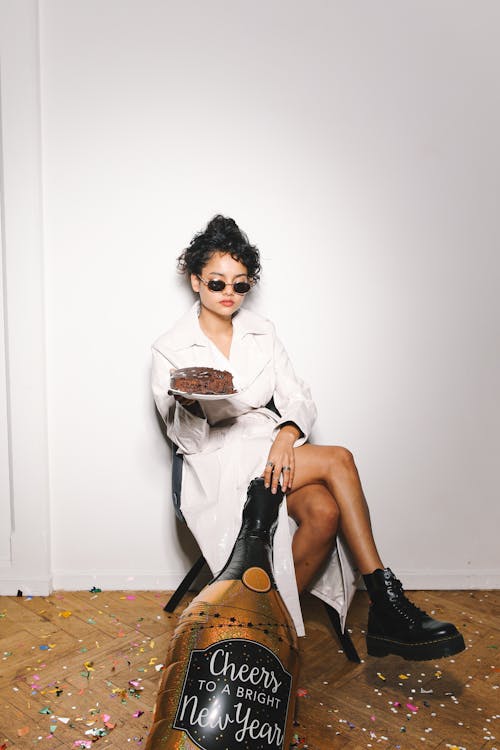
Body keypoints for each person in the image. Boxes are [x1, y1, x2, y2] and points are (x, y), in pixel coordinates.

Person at [151, 215, 465, 661]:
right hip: (217, 460)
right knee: (339, 459)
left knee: (323, 510)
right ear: (196, 280)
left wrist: (288, 432)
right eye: (218, 283)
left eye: (240, 285)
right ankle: (386, 603)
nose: (228, 295)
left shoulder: (263, 332)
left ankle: (264, 623)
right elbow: (187, 440)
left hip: (270, 446)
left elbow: (298, 396)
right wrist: (187, 404)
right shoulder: (171, 347)